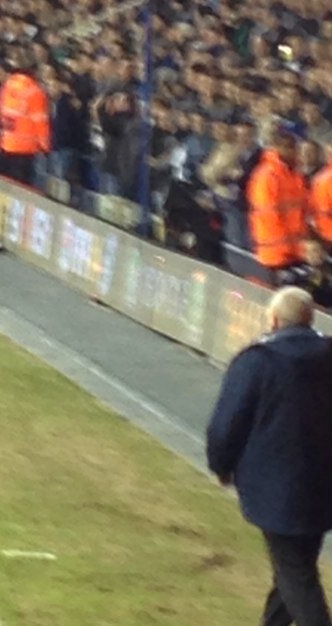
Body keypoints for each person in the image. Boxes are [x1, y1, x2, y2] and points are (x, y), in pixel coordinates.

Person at [207, 286, 332, 626]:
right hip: (323, 487)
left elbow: (227, 423)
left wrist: (220, 466)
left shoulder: (257, 361)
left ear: (274, 320)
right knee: (294, 567)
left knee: (296, 573)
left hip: (275, 489)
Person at [247, 130, 309, 275]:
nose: (295, 152)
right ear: (279, 148)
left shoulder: (294, 173)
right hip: (277, 252)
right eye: (291, 148)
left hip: (295, 249)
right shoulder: (268, 175)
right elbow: (269, 215)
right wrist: (287, 249)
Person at [0, 47, 50, 185]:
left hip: (7, 142)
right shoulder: (35, 91)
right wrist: (45, 146)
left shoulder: (8, 85)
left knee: (5, 180)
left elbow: (1, 111)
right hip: (26, 148)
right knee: (22, 186)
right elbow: (40, 121)